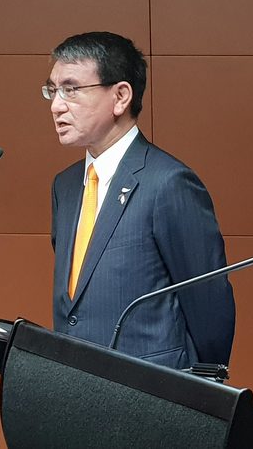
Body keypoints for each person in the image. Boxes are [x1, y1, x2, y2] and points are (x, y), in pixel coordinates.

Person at [46, 32, 235, 369]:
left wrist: (201, 389)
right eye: (53, 90)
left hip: (149, 393)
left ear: (120, 96)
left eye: (71, 90)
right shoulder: (66, 186)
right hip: (76, 389)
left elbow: (209, 304)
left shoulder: (169, 183)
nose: (56, 105)